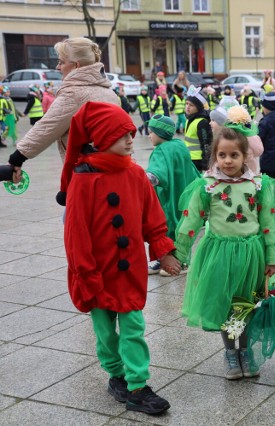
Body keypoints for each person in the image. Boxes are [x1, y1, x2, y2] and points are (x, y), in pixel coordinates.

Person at [59, 101, 179, 414]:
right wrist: (85, 273)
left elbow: (153, 219)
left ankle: (138, 384)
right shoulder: (82, 180)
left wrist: (164, 251)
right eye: (122, 134)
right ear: (99, 139)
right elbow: (75, 234)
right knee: (104, 333)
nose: (131, 139)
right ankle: (116, 375)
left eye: (130, 133)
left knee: (133, 327)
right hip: (96, 272)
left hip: (129, 272)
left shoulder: (136, 175)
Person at [174, 125, 275, 379]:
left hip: (250, 255)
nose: (227, 161)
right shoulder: (207, 185)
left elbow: (268, 224)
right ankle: (230, 353)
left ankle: (245, 351)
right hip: (219, 254)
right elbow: (191, 221)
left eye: (234, 155)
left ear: (245, 155)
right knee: (226, 306)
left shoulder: (258, 185)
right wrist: (178, 253)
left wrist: (271, 257)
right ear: (215, 156)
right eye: (222, 155)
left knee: (246, 306)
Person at [5, 37, 119, 184]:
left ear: (76, 66)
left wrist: (16, 159)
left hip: (86, 175)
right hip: (113, 170)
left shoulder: (74, 93)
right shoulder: (110, 93)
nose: (58, 67)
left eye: (61, 62)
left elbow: (47, 127)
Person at [145, 114, 201, 275]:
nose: (149, 135)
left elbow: (156, 175)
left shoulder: (161, 151)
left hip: (167, 197)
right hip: (184, 195)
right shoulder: (180, 145)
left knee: (166, 226)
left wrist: (139, 180)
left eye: (152, 132)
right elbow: (192, 170)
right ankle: (177, 260)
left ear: (160, 134)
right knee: (183, 228)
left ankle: (175, 262)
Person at [184, 88, 213, 171]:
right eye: (186, 104)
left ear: (199, 107)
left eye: (191, 105)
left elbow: (206, 144)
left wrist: (206, 164)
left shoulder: (202, 122)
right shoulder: (189, 119)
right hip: (189, 158)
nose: (188, 107)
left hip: (198, 160)